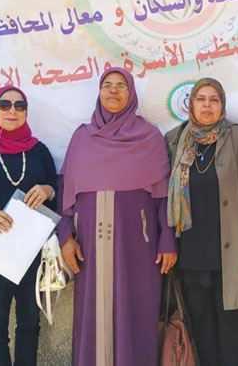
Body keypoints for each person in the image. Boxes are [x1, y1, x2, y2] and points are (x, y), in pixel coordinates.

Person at [58, 67, 177, 366]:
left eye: (121, 86)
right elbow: (66, 191)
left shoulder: (148, 137)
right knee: (93, 316)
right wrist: (65, 237)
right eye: (107, 85)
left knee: (135, 313)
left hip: (138, 247)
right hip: (88, 248)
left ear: (131, 93)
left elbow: (163, 196)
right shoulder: (82, 138)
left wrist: (167, 238)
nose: (113, 91)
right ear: (99, 92)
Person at [165, 78, 238, 366]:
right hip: (191, 252)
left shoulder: (237, 137)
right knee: (202, 328)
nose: (207, 105)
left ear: (222, 105)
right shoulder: (175, 139)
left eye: (214, 100)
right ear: (191, 105)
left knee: (233, 326)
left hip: (228, 250)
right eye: (201, 99)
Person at [0, 86, 58, 366]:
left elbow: (56, 190)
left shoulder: (39, 151)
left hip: (33, 255)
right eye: (4, 105)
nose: (12, 111)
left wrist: (48, 190)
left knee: (29, 324)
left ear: (26, 111)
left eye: (19, 106)